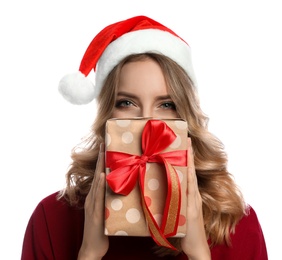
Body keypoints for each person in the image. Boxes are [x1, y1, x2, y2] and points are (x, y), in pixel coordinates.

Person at [21, 15, 268, 260]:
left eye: (167, 104)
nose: (146, 122)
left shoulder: (237, 226)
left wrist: (200, 253)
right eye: (126, 103)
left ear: (185, 116)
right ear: (107, 114)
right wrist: (89, 253)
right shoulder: (52, 219)